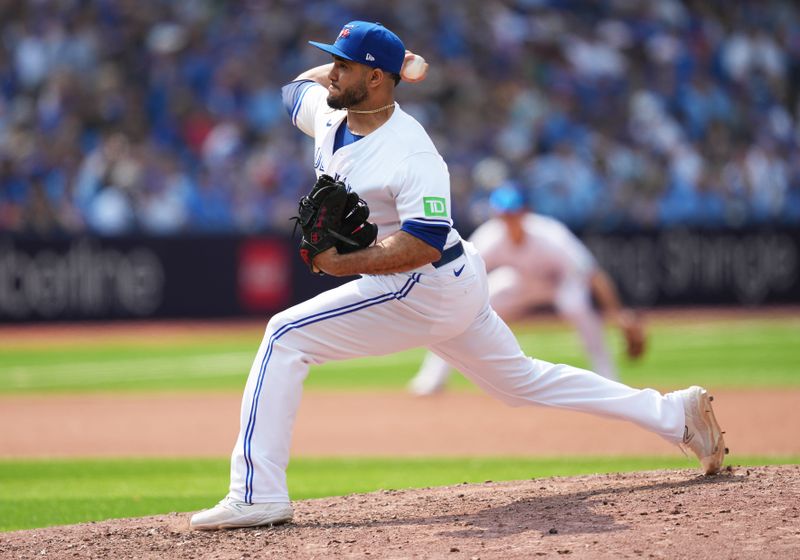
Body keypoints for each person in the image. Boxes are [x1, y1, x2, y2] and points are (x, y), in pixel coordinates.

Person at [189, 21, 726, 530]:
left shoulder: (413, 153)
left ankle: (257, 495)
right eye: (331, 61)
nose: (331, 72)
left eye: (344, 65)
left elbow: (421, 242)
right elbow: (291, 90)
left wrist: (339, 264)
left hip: (425, 284)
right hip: (456, 282)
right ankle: (674, 414)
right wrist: (396, 63)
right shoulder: (330, 116)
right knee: (524, 382)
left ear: (374, 79)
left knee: (284, 336)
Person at [409, 183, 645, 395]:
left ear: (525, 212)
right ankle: (433, 377)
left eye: (514, 213)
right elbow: (460, 274)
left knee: (575, 305)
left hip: (559, 284)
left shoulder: (550, 234)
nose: (510, 219)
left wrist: (619, 316)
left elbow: (592, 274)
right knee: (472, 304)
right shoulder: (491, 236)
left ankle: (608, 376)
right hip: (522, 284)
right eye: (504, 215)